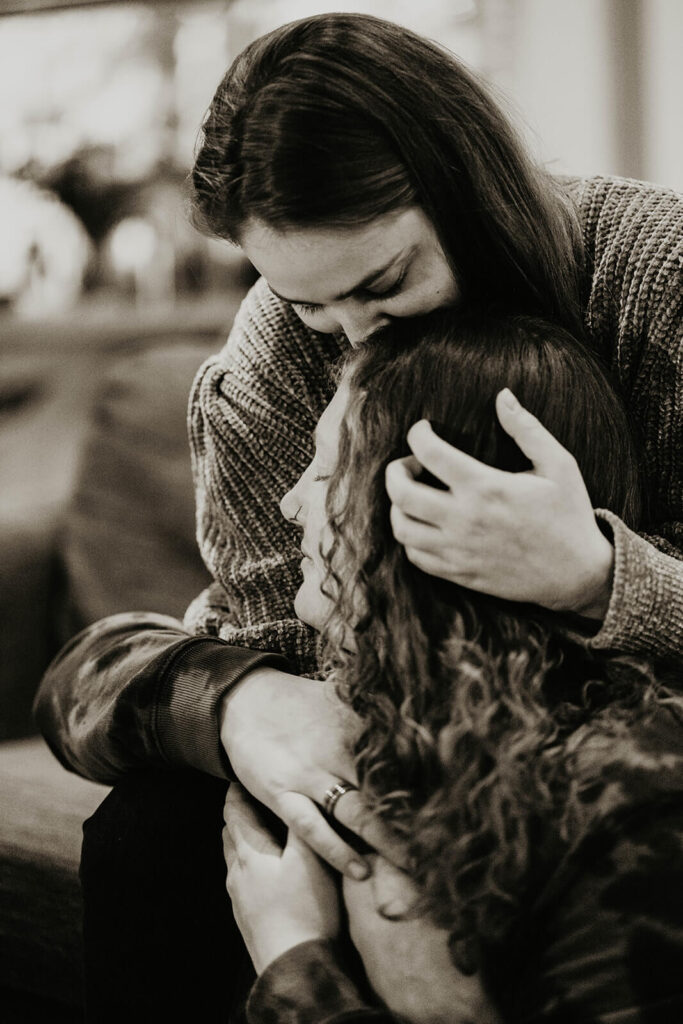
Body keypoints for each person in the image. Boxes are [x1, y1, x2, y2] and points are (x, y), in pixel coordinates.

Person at [33, 11, 683, 1018]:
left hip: (621, 734)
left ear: (472, 188)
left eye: (383, 282)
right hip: (410, 719)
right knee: (156, 826)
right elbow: (266, 644)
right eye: (309, 309)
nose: (350, 341)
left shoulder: (659, 283)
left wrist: (597, 579)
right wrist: (243, 702)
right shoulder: (266, 373)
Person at [224, 311, 683, 1024]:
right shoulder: (381, 733)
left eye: (323, 469)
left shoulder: (632, 806)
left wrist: (295, 962)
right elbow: (101, 672)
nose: (289, 505)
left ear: (433, 507)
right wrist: (235, 699)